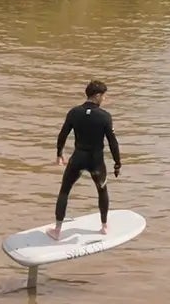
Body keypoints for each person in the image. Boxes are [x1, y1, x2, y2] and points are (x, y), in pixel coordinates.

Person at [50, 79, 122, 239]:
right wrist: (118, 163)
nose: (104, 99)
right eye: (104, 96)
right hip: (96, 161)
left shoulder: (74, 112)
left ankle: (57, 231)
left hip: (78, 159)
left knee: (64, 191)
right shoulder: (105, 116)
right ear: (97, 96)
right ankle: (104, 227)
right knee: (102, 191)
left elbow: (62, 135)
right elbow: (113, 142)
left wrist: (59, 154)